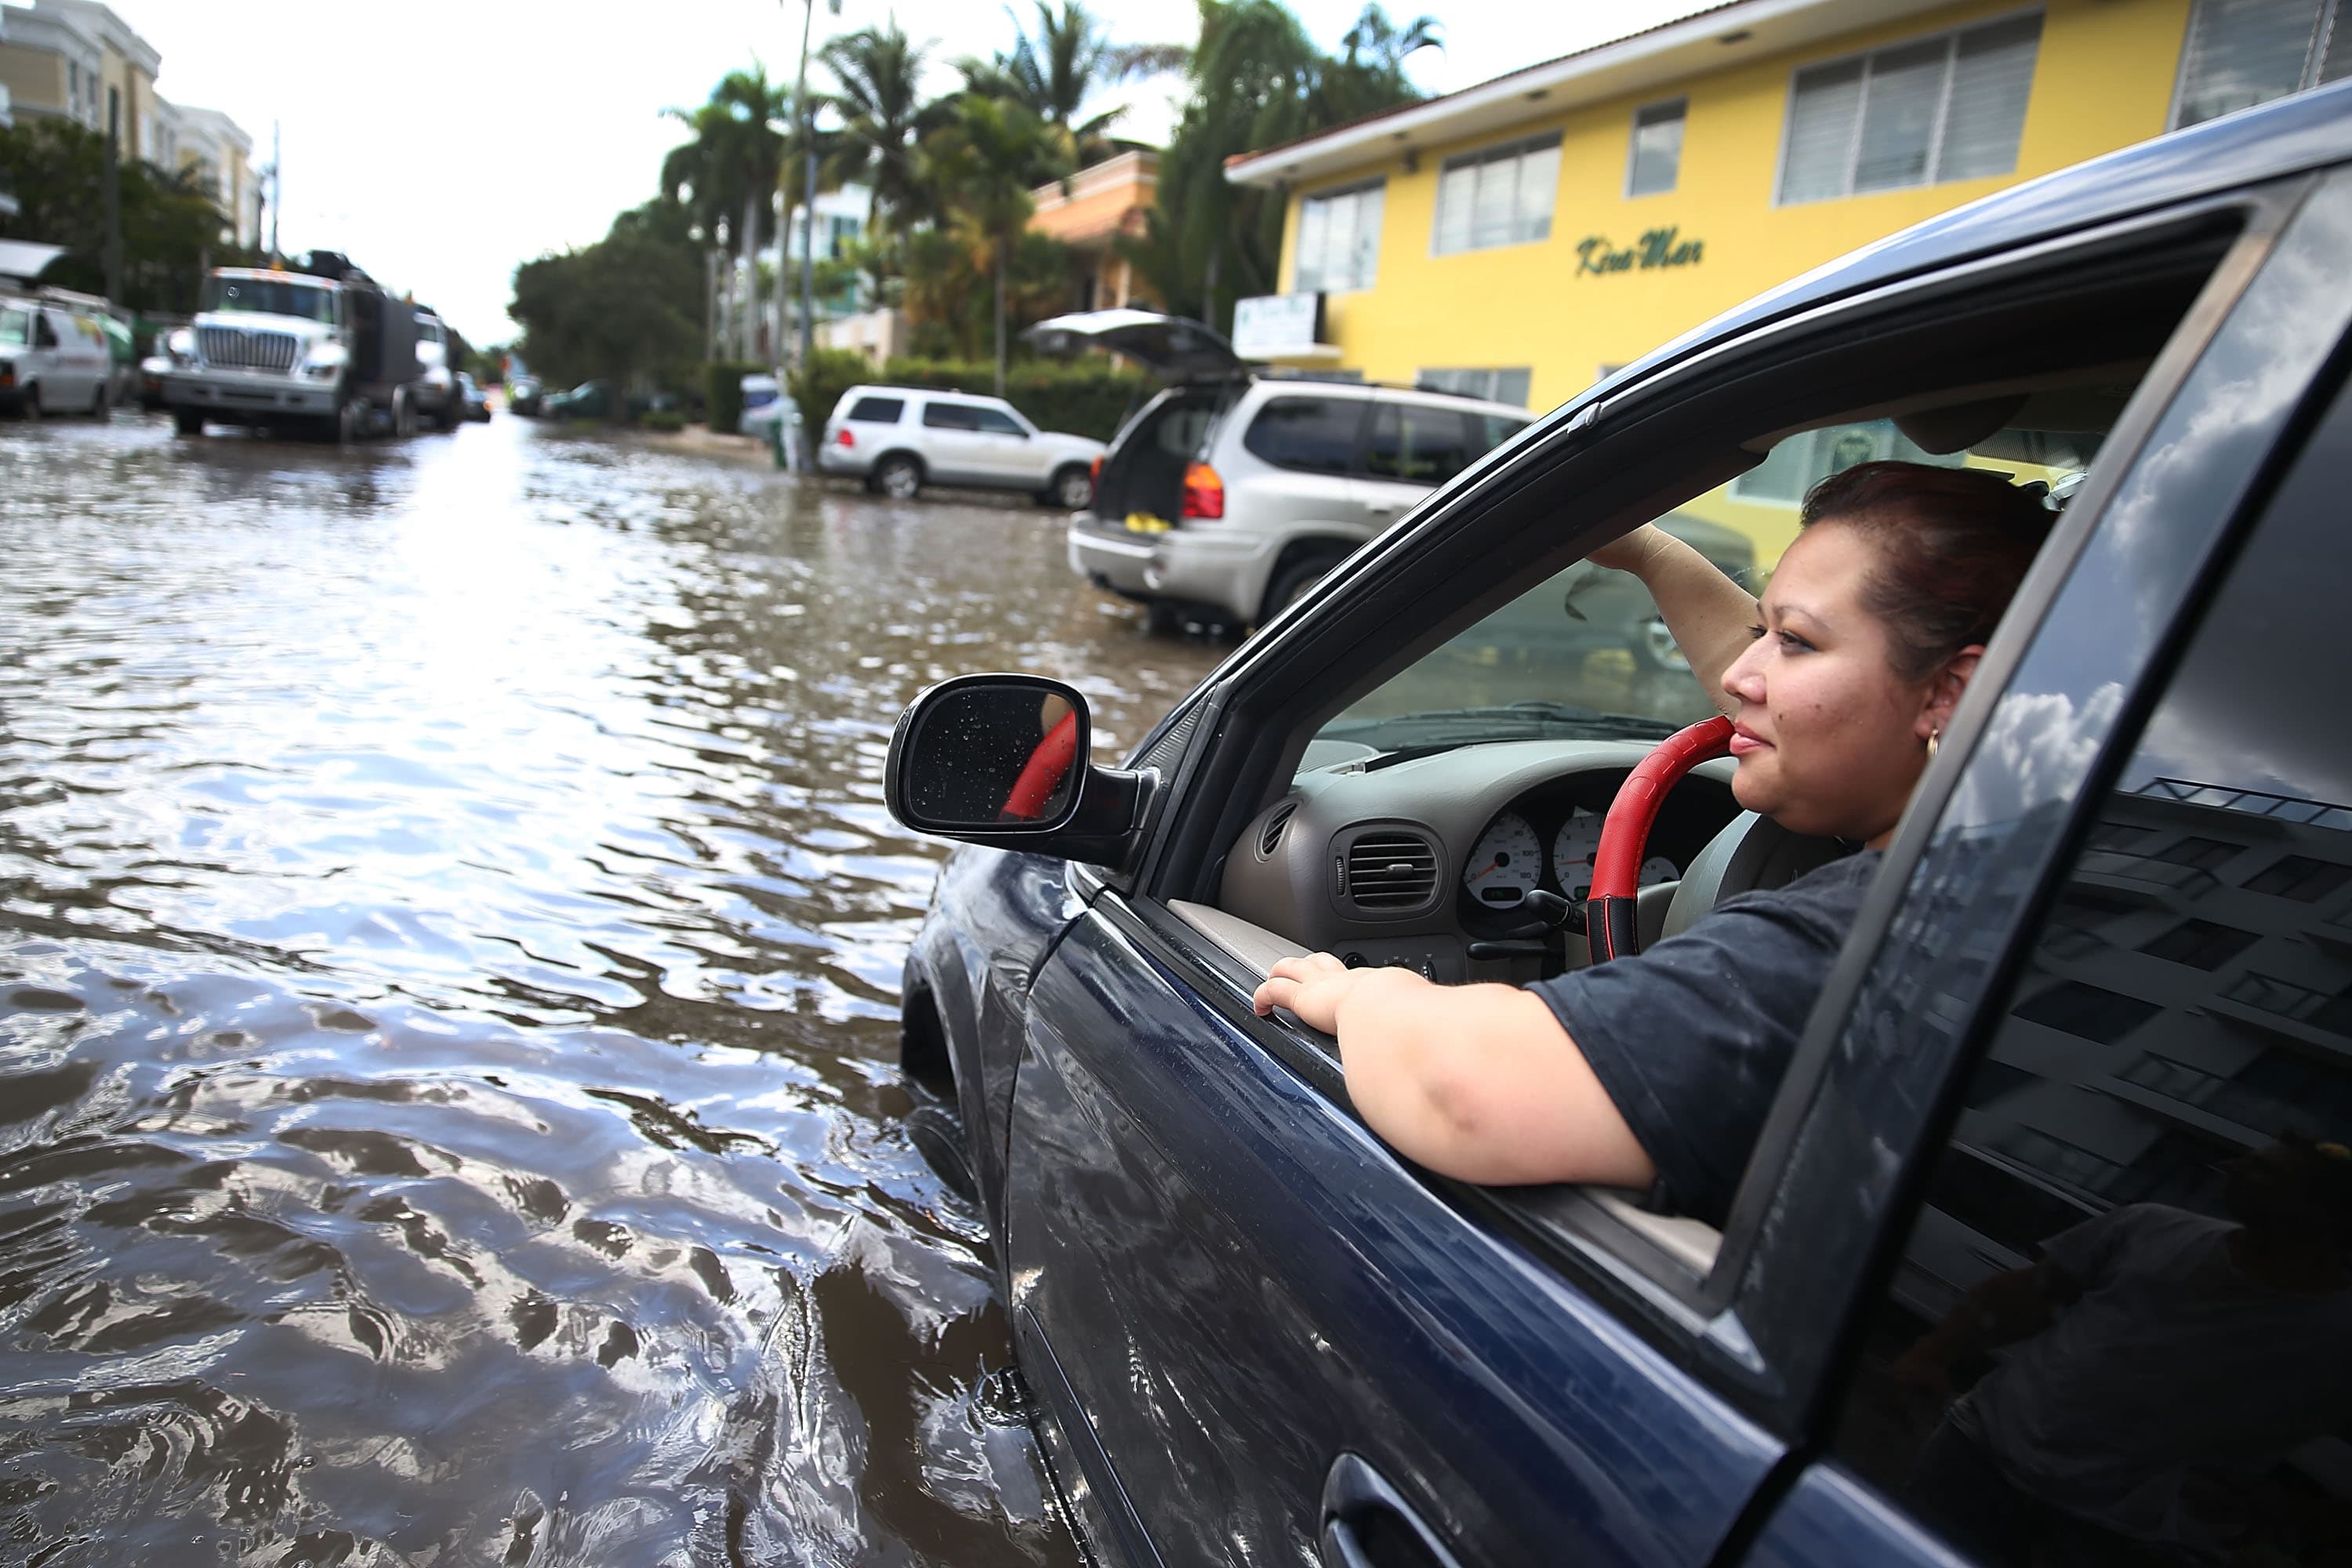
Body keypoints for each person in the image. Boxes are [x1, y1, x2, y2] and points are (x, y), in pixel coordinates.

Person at [1252, 460, 2053, 1223]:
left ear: (1950, 691)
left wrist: (1361, 993)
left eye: (1796, 641)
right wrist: (1644, 550)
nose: (1744, 674)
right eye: (1761, 629)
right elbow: (1823, 705)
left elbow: (1459, 1095)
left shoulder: (1864, 941)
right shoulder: (2044, 865)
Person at [1887, 1138, 2352, 1564]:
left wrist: (2294, 1512)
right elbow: (2029, 1294)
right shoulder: (2155, 1228)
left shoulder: (2337, 1332)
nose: (2229, 1167)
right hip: (1980, 1460)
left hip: (2125, 1539)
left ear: (2319, 1210)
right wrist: (1930, 1353)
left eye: (2263, 1170)